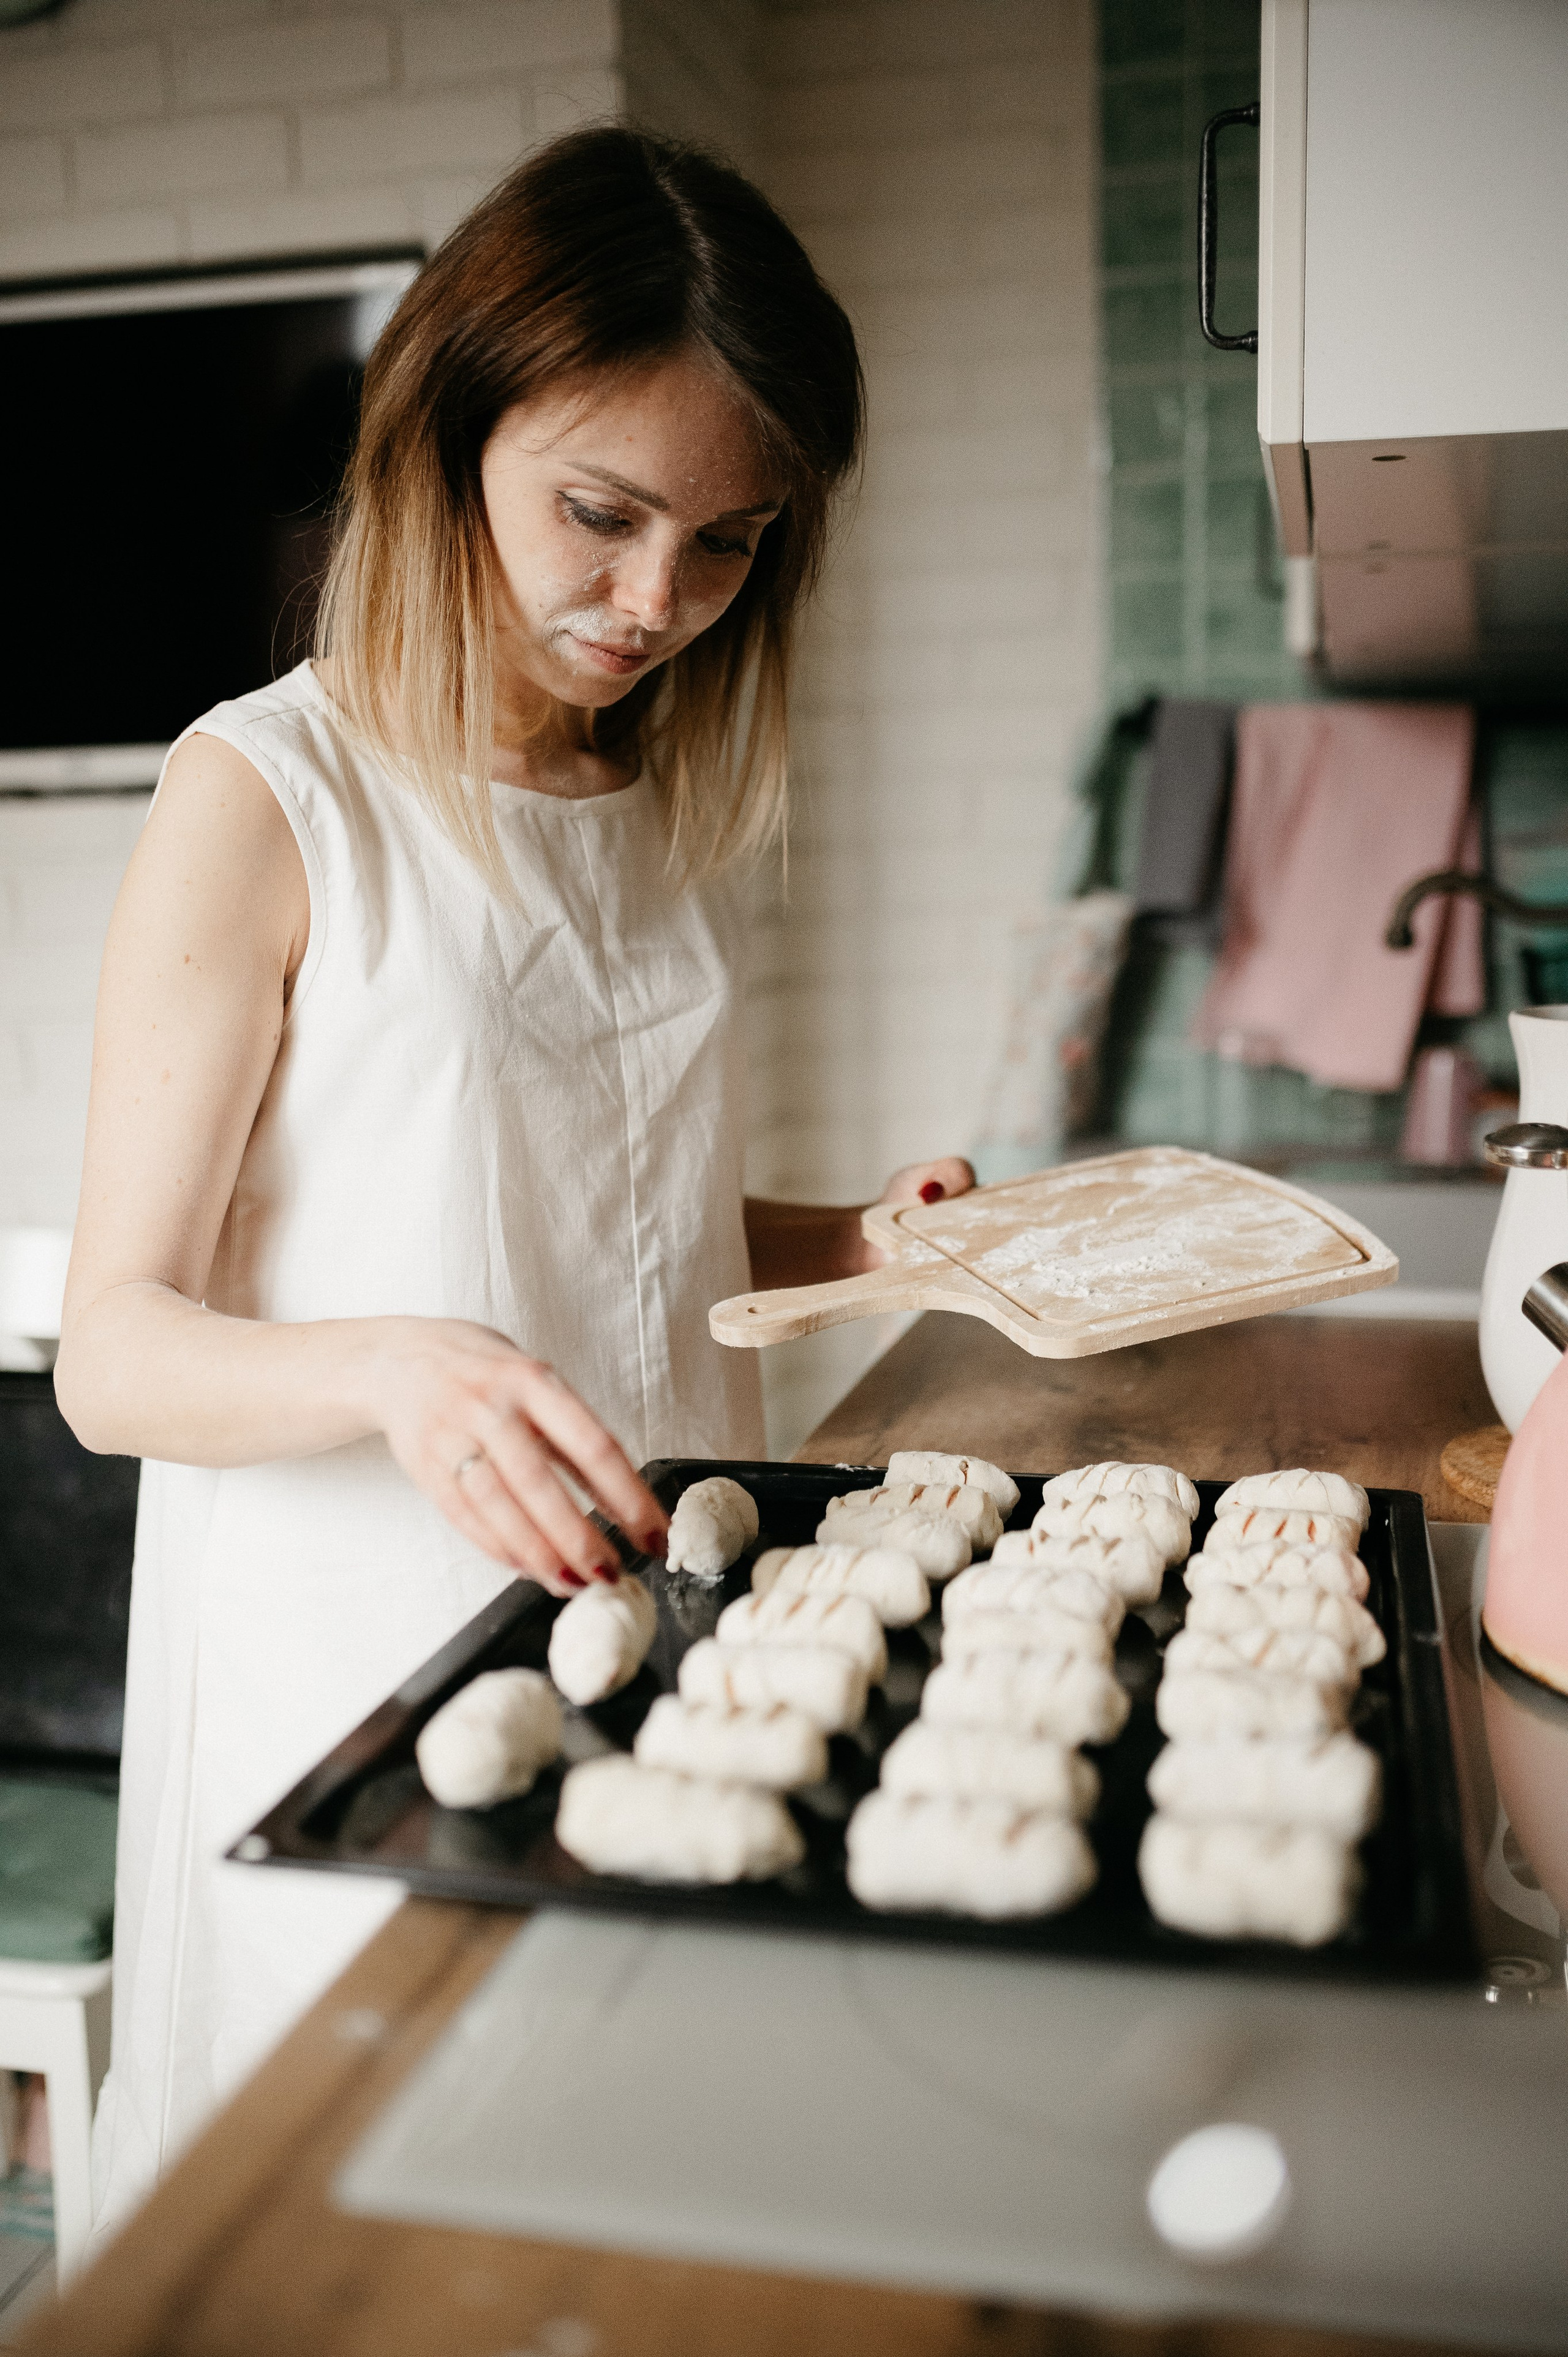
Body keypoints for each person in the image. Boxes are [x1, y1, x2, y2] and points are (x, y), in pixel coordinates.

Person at [54, 125, 974, 2234]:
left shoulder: (647, 792)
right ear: (445, 436)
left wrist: (860, 1240)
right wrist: (395, 1366)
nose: (656, 603)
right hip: (360, 1679)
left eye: (728, 542)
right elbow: (112, 1353)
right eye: (602, 513)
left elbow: (609, 1210)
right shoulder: (265, 791)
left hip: (660, 1621)